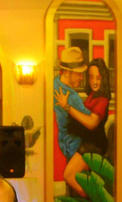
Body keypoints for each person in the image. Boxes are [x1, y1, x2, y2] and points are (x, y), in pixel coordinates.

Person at [56, 58, 112, 198]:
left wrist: (67, 107)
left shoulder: (102, 99)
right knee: (78, 177)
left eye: (98, 78)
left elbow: (92, 123)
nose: (94, 81)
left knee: (69, 175)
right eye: (91, 77)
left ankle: (94, 200)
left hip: (94, 145)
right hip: (87, 143)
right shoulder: (93, 95)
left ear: (103, 79)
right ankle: (90, 200)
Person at [53, 47, 93, 186]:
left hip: (64, 142)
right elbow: (92, 121)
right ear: (66, 72)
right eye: (78, 74)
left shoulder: (55, 83)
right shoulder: (72, 97)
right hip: (75, 143)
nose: (82, 78)